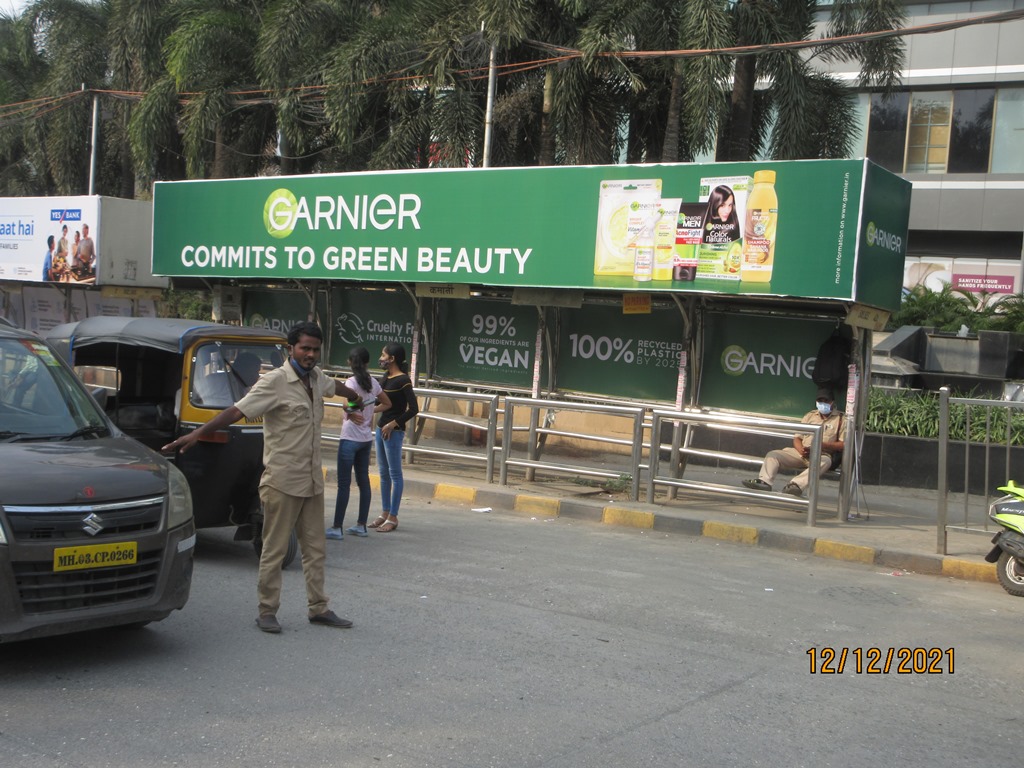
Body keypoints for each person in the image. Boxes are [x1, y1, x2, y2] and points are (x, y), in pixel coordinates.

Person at [162, 322, 363, 634]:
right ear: (290, 348)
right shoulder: (274, 382)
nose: (309, 354)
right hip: (282, 480)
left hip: (311, 481)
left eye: (314, 349)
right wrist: (197, 435)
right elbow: (236, 411)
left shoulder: (316, 377)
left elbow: (341, 389)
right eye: (304, 348)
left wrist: (353, 404)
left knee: (315, 550)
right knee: (274, 549)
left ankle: (319, 608)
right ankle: (267, 611)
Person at [327, 347, 392, 540]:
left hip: (349, 438)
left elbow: (348, 404)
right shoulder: (373, 382)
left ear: (350, 362)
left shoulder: (351, 382)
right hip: (365, 439)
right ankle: (361, 525)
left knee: (344, 485)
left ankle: (337, 527)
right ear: (366, 362)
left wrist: (351, 409)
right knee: (364, 482)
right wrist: (370, 410)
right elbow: (387, 403)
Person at [741, 387, 846, 498]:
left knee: (825, 462)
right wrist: (801, 449)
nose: (823, 403)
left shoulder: (840, 419)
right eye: (820, 401)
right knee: (773, 455)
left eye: (826, 401)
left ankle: (795, 485)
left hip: (821, 455)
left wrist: (822, 445)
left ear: (832, 402)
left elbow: (843, 444)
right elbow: (797, 438)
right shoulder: (810, 416)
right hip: (802, 453)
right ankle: (764, 482)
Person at [369, 343, 419, 533]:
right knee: (383, 474)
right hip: (381, 429)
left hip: (393, 432)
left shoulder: (403, 380)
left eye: (384, 355)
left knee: (395, 474)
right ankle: (384, 512)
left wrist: (394, 424)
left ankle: (393, 516)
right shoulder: (385, 378)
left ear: (392, 359)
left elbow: (413, 409)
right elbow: (376, 401)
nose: (381, 358)